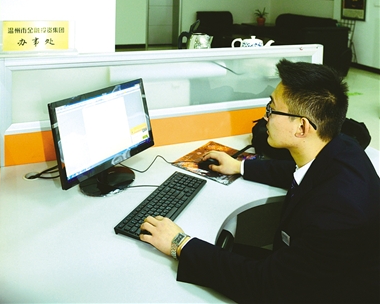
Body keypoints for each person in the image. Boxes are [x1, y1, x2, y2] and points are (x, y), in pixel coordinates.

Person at [140, 60, 380, 304]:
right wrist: (240, 166)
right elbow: (297, 171)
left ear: (301, 127)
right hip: (309, 273)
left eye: (272, 109)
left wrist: (180, 244)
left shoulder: (338, 213)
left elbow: (267, 286)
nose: (265, 117)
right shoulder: (341, 146)